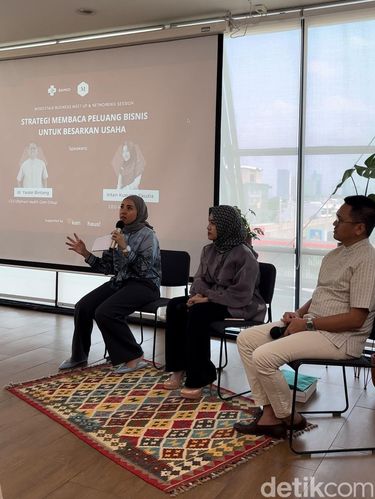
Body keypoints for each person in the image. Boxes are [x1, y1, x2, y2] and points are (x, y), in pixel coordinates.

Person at [234, 195, 375, 439]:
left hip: (340, 339)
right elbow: (322, 295)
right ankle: (269, 414)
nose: (333, 224)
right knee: (246, 339)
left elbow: (356, 319)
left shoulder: (367, 260)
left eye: (339, 220)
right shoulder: (336, 254)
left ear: (359, 228)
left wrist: (307, 323)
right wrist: (298, 314)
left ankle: (291, 418)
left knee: (264, 357)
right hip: (314, 326)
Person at [163, 205, 266, 399]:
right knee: (175, 306)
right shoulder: (208, 250)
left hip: (240, 305)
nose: (208, 227)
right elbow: (199, 280)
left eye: (213, 223)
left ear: (226, 226)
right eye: (208, 222)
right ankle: (178, 368)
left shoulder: (245, 254)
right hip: (211, 298)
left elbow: (242, 293)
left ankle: (199, 377)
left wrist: (208, 297)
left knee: (197, 314)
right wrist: (204, 296)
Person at [59, 195, 161, 373]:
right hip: (121, 282)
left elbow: (144, 269)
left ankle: (133, 355)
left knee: (105, 312)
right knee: (83, 306)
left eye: (129, 208)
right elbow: (107, 267)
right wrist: (86, 254)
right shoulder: (116, 234)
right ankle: (79, 356)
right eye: (122, 207)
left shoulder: (148, 235)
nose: (123, 211)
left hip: (145, 285)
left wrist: (125, 248)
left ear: (140, 212)